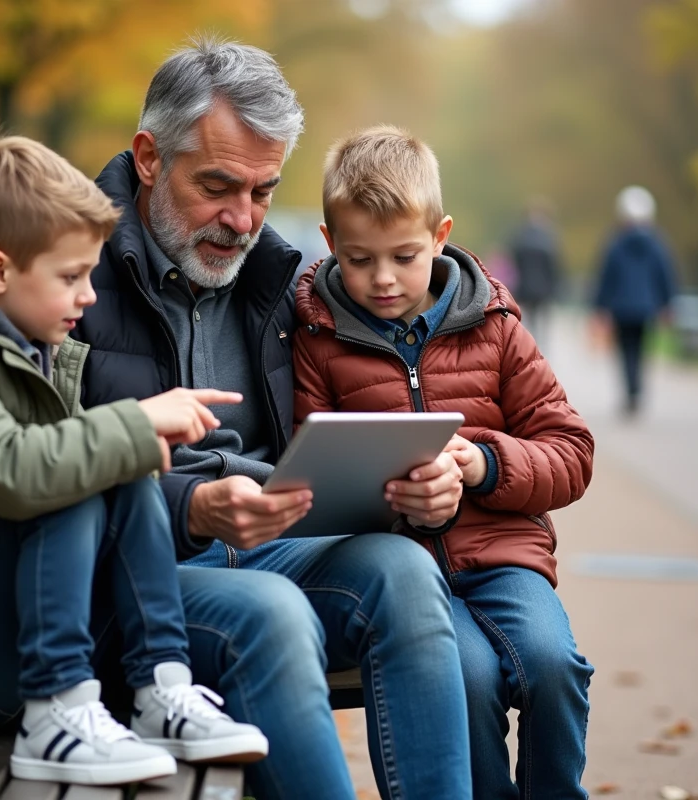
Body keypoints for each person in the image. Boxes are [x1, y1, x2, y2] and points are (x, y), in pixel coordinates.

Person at [73, 39, 472, 800]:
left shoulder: (286, 284)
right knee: (275, 613)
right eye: (218, 186)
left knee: (406, 574)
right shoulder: (67, 268)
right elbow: (42, 470)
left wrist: (426, 477)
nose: (241, 219)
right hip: (132, 577)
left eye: (263, 191)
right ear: (149, 157)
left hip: (270, 547)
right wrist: (191, 508)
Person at [0, 131, 270, 787]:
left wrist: (132, 441)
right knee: (76, 466)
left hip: (10, 626)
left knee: (111, 457)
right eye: (71, 277)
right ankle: (59, 713)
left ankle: (163, 687)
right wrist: (133, 422)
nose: (90, 296)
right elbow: (18, 474)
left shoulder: (21, 347)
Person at [292, 125, 596, 799]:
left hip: (506, 558)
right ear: (328, 241)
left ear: (439, 234)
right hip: (407, 577)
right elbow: (309, 473)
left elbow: (571, 451)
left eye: (403, 256)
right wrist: (391, 500)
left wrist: (483, 465)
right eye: (359, 258)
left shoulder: (496, 327)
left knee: (552, 665)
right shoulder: (317, 339)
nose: (383, 279)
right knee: (464, 679)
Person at [593, 185, 677, 417]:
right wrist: (668, 303)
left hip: (621, 307)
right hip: (646, 307)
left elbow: (606, 277)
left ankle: (631, 391)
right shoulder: (657, 243)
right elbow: (665, 274)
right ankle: (636, 388)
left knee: (625, 350)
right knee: (640, 349)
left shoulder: (615, 243)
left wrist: (600, 307)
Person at [508, 197, 563, 346]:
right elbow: (555, 266)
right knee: (541, 321)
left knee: (529, 320)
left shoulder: (520, 236)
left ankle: (529, 346)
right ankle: (537, 347)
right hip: (543, 287)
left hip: (525, 286)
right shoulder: (549, 238)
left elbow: (514, 260)